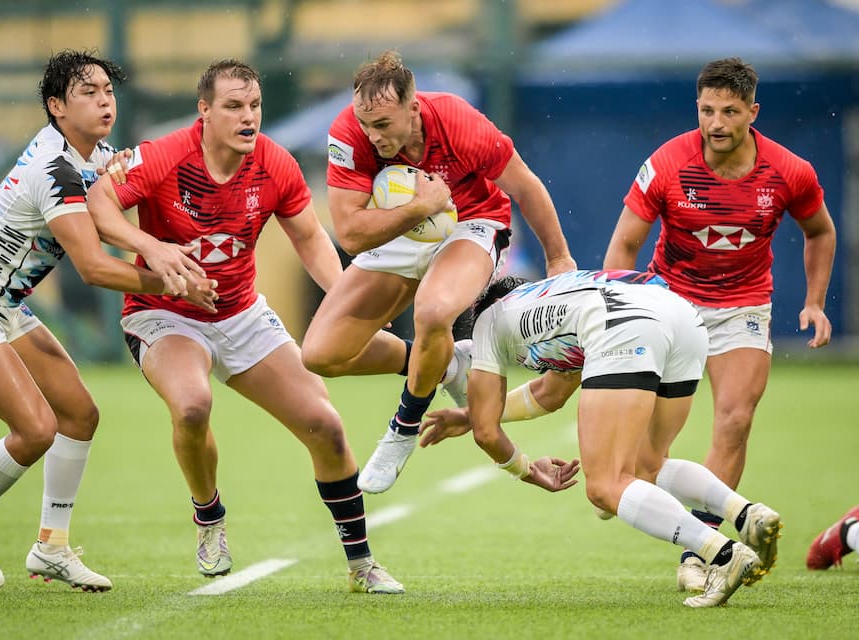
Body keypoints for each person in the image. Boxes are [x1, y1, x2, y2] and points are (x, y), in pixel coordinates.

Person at [86, 58, 404, 594]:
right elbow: (101, 201)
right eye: (233, 106)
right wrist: (151, 248)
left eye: (254, 105)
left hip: (240, 311)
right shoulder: (164, 156)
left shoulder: (274, 164)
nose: (247, 117)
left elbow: (309, 238)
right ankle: (208, 515)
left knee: (324, 424)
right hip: (163, 313)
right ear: (204, 111)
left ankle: (361, 564)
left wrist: (346, 301)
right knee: (192, 405)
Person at [0, 50, 214, 592]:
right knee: (35, 428)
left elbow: (114, 219)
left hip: (4, 306)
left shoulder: (99, 156)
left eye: (108, 89)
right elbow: (93, 267)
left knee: (79, 415)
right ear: (57, 106)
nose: (105, 100)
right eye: (88, 92)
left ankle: (51, 547)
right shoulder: (54, 169)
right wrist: (175, 281)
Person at [601, 57, 836, 591]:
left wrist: (816, 301)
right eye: (707, 110)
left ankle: (705, 551)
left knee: (735, 419)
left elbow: (820, 231)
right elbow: (625, 244)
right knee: (644, 458)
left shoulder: (789, 171)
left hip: (743, 306)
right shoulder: (666, 163)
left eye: (730, 111)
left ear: (753, 112)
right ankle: (619, 481)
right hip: (669, 302)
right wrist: (619, 307)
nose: (717, 123)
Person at [300, 50, 576, 494]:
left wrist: (559, 258)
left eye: (383, 125)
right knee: (320, 354)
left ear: (414, 107)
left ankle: (401, 430)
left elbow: (524, 184)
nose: (372, 136)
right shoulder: (347, 133)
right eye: (366, 124)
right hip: (406, 225)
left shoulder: (458, 121)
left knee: (433, 312)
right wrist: (422, 206)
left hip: (472, 220)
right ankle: (440, 363)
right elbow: (350, 234)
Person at [420, 270, 783, 607]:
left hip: (622, 325)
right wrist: (470, 415)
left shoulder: (486, 322)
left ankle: (723, 555)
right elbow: (549, 393)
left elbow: (487, 433)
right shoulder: (552, 298)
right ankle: (746, 513)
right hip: (682, 316)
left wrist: (526, 470)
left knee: (605, 487)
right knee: (648, 466)